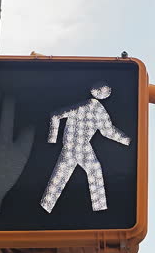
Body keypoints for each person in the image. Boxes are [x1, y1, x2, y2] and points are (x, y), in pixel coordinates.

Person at [40, 82, 130, 213]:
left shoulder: (96, 109)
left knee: (63, 175)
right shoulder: (86, 106)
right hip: (75, 145)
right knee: (92, 170)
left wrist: (127, 140)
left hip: (77, 145)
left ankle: (45, 206)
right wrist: (52, 139)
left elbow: (107, 131)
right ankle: (99, 210)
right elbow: (55, 115)